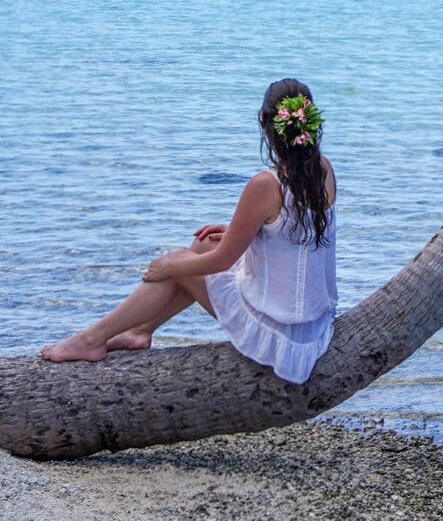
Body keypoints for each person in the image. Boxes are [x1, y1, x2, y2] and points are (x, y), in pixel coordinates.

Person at [40, 78, 338, 385]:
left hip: (278, 336)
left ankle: (92, 339)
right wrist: (244, 230)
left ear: (264, 121)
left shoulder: (265, 184)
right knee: (203, 244)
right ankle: (140, 332)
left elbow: (222, 262)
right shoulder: (323, 168)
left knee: (183, 260)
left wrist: (169, 265)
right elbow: (294, 233)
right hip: (311, 327)